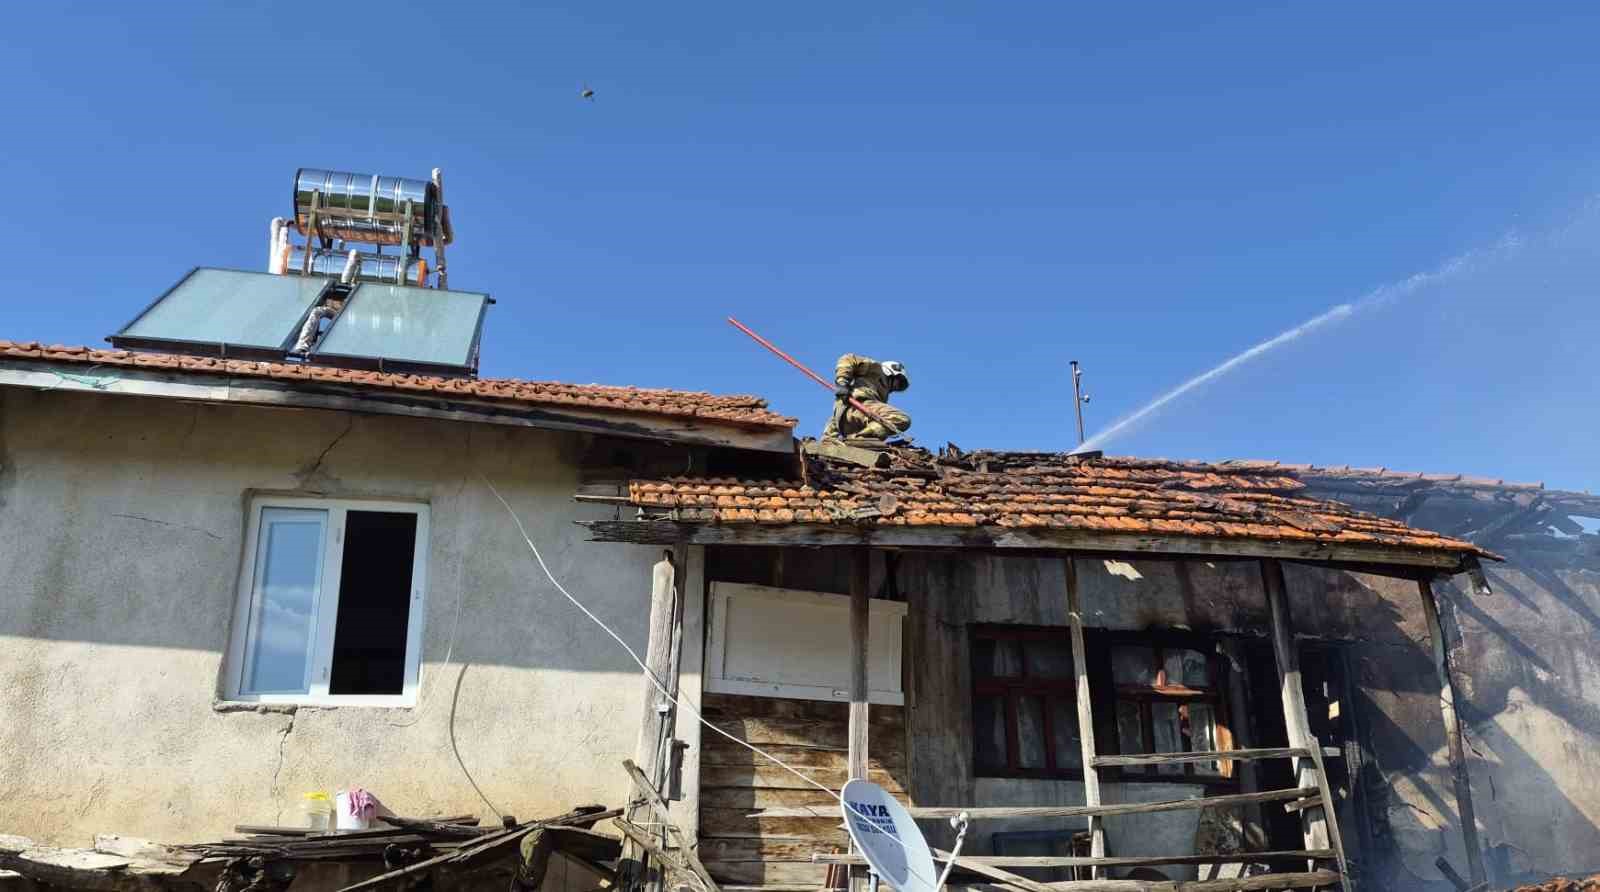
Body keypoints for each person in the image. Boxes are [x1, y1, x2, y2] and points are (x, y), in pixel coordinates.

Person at [821, 353, 911, 440]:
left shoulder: (882, 395)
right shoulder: (877, 369)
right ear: (892, 373)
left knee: (879, 425)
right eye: (899, 381)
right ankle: (862, 439)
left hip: (847, 419)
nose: (897, 386)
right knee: (901, 419)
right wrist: (842, 382)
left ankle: (857, 439)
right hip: (856, 405)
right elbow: (848, 359)